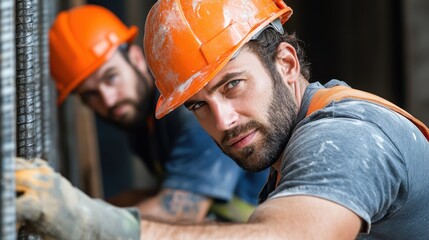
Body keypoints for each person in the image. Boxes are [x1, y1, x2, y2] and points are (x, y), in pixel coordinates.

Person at [15, 0, 429, 239]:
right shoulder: (284, 154)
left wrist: (94, 223)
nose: (223, 120)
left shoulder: (345, 138)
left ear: (285, 64)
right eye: (197, 105)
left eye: (232, 85)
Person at [47, 4, 269, 224]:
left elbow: (181, 211)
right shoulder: (141, 121)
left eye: (111, 77)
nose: (108, 100)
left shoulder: (189, 110)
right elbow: (165, 195)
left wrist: (78, 220)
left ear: (135, 58)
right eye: (91, 94)